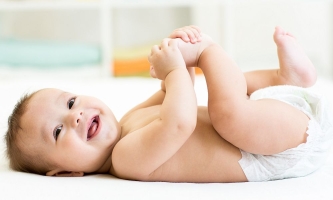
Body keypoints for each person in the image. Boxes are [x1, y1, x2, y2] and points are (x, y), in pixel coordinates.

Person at [5, 26, 333, 182]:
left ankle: (285, 79)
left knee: (232, 94)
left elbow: (174, 94)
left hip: (267, 123)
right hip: (269, 153)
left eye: (71, 101)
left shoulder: (128, 119)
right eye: (59, 130)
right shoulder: (125, 160)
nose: (75, 116)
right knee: (226, 114)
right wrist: (188, 61)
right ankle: (211, 49)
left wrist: (178, 60)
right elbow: (180, 122)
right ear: (65, 172)